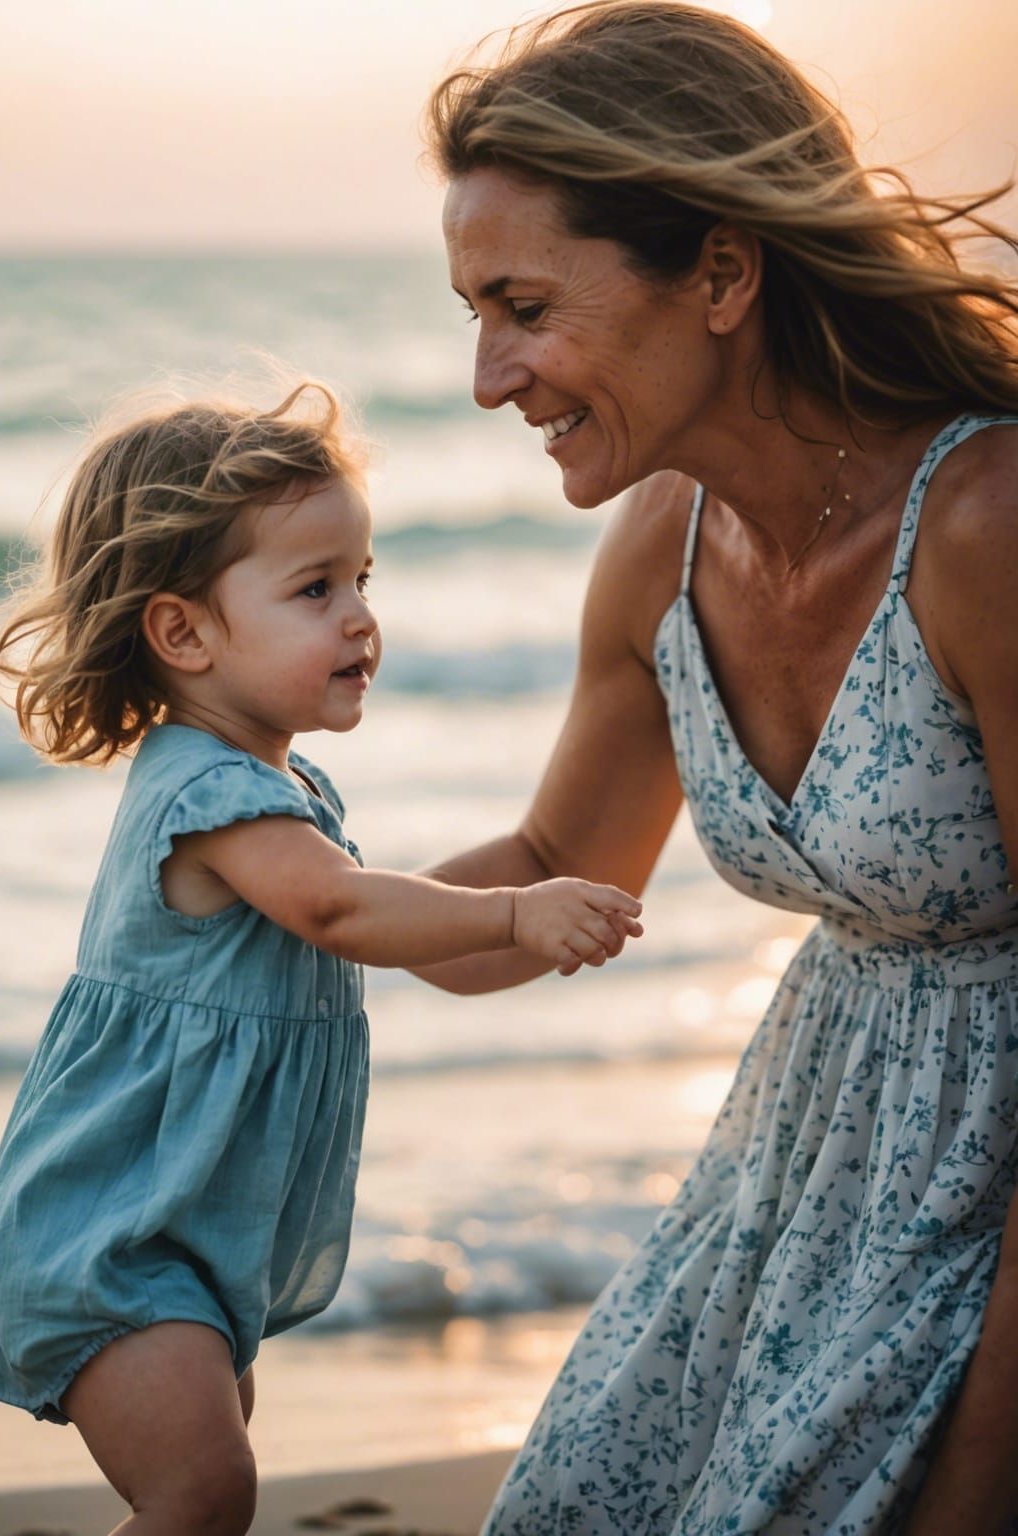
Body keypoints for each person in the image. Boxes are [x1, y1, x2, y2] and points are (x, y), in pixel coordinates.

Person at [414, 3, 1018, 1530]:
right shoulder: (658, 554)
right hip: (797, 1191)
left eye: (523, 305)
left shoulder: (988, 529)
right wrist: (266, 896)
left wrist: (980, 1469)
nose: (492, 376)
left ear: (724, 272)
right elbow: (558, 869)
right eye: (474, 314)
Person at [0, 380, 644, 1536]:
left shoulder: (284, 789)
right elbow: (340, 914)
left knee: (206, 1478)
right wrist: (519, 912)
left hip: (184, 1233)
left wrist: (511, 932)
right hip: (110, 1239)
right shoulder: (214, 796)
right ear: (181, 632)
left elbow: (395, 929)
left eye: (363, 580)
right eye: (315, 589)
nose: (359, 618)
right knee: (207, 1488)